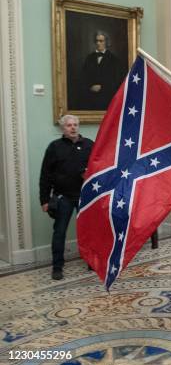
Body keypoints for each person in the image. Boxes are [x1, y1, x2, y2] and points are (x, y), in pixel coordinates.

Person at [39, 115, 93, 280]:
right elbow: (45, 175)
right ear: (63, 128)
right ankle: (57, 266)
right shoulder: (54, 147)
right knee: (59, 232)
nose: (73, 128)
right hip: (63, 197)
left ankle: (92, 261)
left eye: (75, 125)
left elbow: (99, 167)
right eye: (69, 125)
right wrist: (44, 200)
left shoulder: (89, 145)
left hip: (85, 196)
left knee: (89, 230)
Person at [80, 30, 123, 110]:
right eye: (96, 41)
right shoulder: (89, 58)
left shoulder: (114, 59)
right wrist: (90, 87)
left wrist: (102, 87)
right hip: (90, 99)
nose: (98, 43)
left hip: (107, 99)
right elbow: (83, 77)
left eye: (101, 41)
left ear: (106, 42)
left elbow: (117, 80)